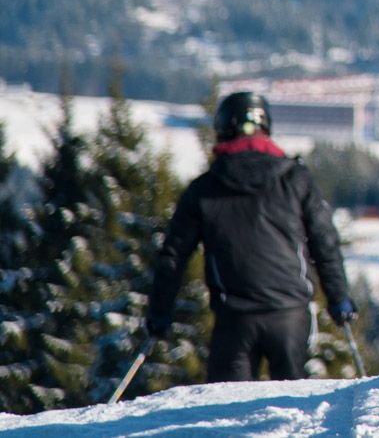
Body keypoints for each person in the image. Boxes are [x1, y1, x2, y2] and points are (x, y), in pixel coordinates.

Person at [144, 92, 354, 382]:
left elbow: (173, 256)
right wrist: (339, 299)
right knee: (291, 410)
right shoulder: (296, 179)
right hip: (290, 314)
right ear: (266, 126)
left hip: (234, 319)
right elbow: (324, 242)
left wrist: (159, 312)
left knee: (228, 418)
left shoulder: (204, 189)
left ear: (222, 129)